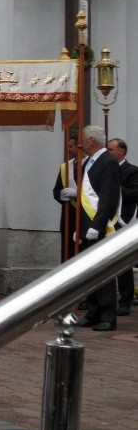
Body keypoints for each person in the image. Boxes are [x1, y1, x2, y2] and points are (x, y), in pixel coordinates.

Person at [75, 126, 121, 331]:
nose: (81, 143)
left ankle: (108, 315)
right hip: (89, 225)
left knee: (103, 271)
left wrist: (97, 225)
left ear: (91, 140)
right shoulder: (91, 162)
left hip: (100, 226)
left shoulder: (108, 162)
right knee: (90, 272)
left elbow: (108, 197)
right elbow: (87, 198)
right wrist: (82, 226)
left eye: (83, 140)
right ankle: (93, 312)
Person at [106, 138, 138, 316]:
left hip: (123, 220)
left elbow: (135, 193)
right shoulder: (105, 169)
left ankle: (125, 300)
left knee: (122, 263)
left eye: (111, 150)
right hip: (105, 219)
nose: (108, 152)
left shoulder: (132, 171)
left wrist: (115, 189)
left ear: (121, 152)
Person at [52, 136, 84, 262]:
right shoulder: (66, 167)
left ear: (79, 147)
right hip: (68, 216)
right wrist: (61, 195)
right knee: (67, 253)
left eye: (71, 146)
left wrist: (77, 193)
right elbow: (56, 190)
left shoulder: (90, 165)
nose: (68, 149)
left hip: (84, 215)